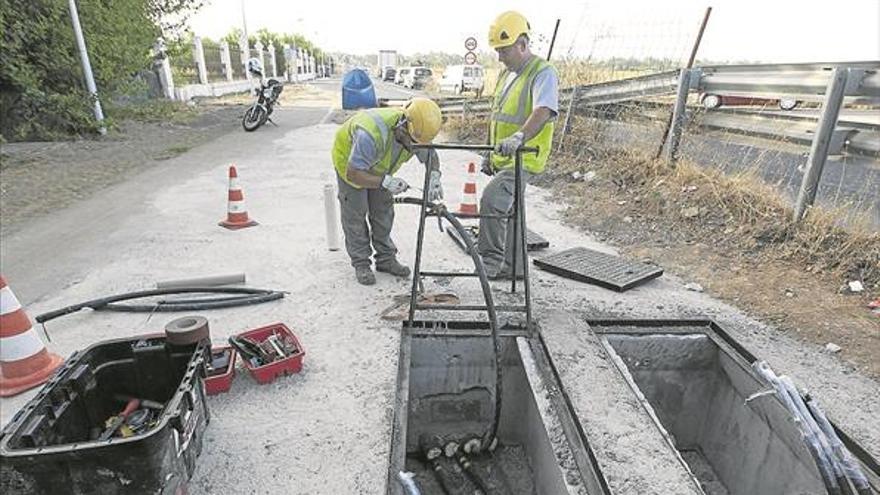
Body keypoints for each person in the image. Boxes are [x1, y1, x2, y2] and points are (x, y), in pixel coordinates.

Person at [479, 11, 559, 280]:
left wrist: (518, 138)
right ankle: (514, 268)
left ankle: (489, 262)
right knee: (512, 212)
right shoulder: (506, 75)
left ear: (522, 45)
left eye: (504, 51)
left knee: (492, 200)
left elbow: (543, 110)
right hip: (505, 158)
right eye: (498, 52)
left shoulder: (542, 72)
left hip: (525, 156)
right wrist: (489, 153)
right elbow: (498, 115)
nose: (500, 57)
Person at [331, 97, 444, 285]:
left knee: (383, 211)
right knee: (356, 214)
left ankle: (385, 259)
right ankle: (361, 263)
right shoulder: (370, 134)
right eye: (412, 142)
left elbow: (430, 155)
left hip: (378, 166)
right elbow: (354, 174)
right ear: (402, 125)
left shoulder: (415, 133)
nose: (413, 147)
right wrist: (385, 181)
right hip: (351, 166)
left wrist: (434, 176)